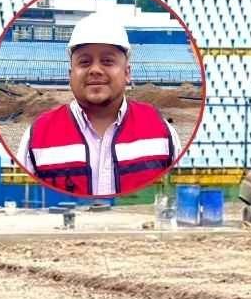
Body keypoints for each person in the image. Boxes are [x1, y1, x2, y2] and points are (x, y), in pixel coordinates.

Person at [15, 11, 181, 197]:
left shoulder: (161, 132)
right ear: (71, 73)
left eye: (107, 61)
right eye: (84, 62)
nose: (95, 70)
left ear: (127, 72)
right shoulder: (37, 136)